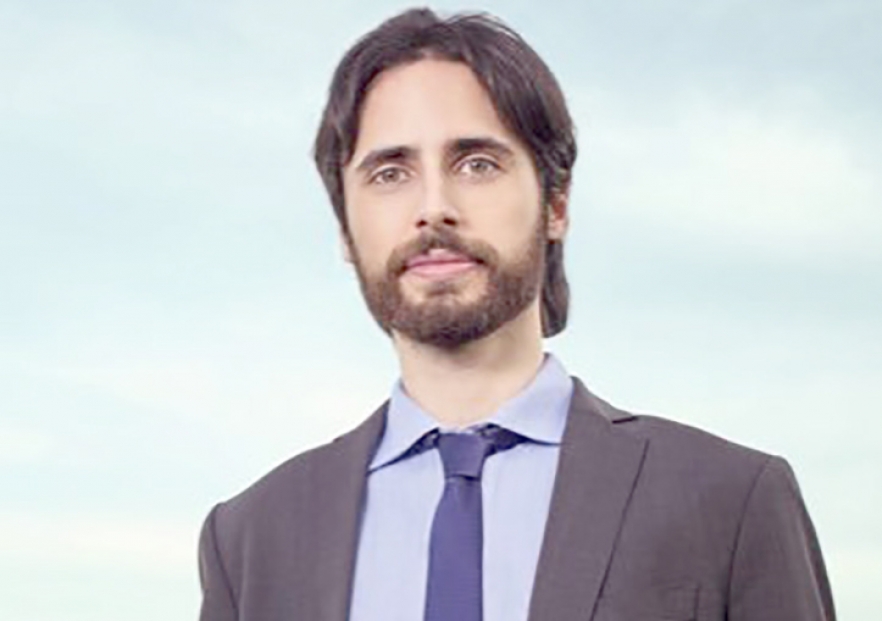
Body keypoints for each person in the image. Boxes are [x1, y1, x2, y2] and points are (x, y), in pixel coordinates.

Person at [196, 7, 835, 621]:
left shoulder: (731, 499)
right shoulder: (249, 539)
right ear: (344, 227)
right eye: (390, 173)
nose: (434, 207)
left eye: (477, 164)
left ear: (556, 205)